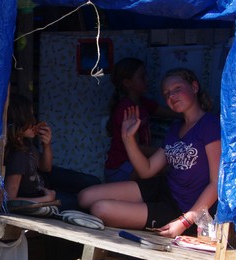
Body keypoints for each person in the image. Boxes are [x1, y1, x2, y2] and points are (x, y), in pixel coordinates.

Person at [78, 68, 220, 237]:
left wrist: (185, 221)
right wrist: (128, 138)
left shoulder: (210, 124)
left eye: (177, 89)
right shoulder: (176, 127)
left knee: (99, 209)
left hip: (182, 208)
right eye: (166, 93)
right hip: (164, 188)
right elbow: (147, 170)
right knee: (84, 197)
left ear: (194, 87)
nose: (171, 96)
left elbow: (216, 183)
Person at [4, 93, 99, 211]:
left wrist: (46, 144)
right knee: (85, 202)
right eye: (29, 117)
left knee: (93, 183)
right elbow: (10, 200)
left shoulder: (25, 143)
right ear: (19, 121)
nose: (34, 121)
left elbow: (46, 167)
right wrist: (47, 199)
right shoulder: (17, 156)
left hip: (46, 185)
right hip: (40, 198)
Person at [104, 57, 171, 182]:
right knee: (172, 168)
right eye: (142, 77)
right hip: (120, 168)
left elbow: (169, 112)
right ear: (127, 83)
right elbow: (139, 148)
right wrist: (172, 152)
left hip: (132, 164)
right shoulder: (126, 109)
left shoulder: (141, 102)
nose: (147, 80)